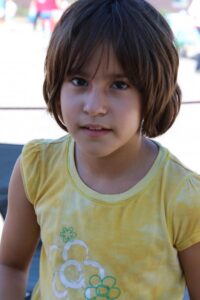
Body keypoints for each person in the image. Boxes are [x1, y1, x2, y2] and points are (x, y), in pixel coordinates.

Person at [0, 0, 200, 299]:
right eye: (79, 81)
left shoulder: (182, 196)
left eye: (119, 85)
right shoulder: (36, 167)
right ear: (57, 84)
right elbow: (11, 265)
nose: (94, 107)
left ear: (152, 91)